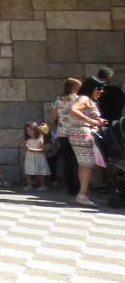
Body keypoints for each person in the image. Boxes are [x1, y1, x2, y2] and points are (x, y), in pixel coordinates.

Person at [69, 78, 108, 207]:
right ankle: (83, 194)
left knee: (84, 164)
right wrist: (91, 121)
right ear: (92, 88)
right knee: (88, 164)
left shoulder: (88, 99)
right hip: (82, 133)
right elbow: (73, 110)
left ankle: (83, 193)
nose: (101, 92)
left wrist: (97, 120)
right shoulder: (84, 98)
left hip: (81, 132)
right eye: (99, 89)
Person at [50, 78, 81, 196]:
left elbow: (53, 116)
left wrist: (61, 121)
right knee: (78, 161)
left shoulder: (58, 99)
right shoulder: (78, 99)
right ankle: (79, 187)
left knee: (67, 161)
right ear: (75, 87)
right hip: (77, 133)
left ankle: (70, 188)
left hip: (63, 133)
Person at [22, 123, 49, 190]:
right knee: (28, 171)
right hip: (29, 157)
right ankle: (29, 185)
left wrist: (31, 150)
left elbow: (42, 149)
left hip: (39, 157)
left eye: (31, 130)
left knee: (39, 172)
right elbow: (25, 149)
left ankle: (42, 185)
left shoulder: (40, 139)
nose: (29, 132)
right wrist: (24, 149)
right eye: (27, 130)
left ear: (36, 130)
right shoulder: (27, 140)